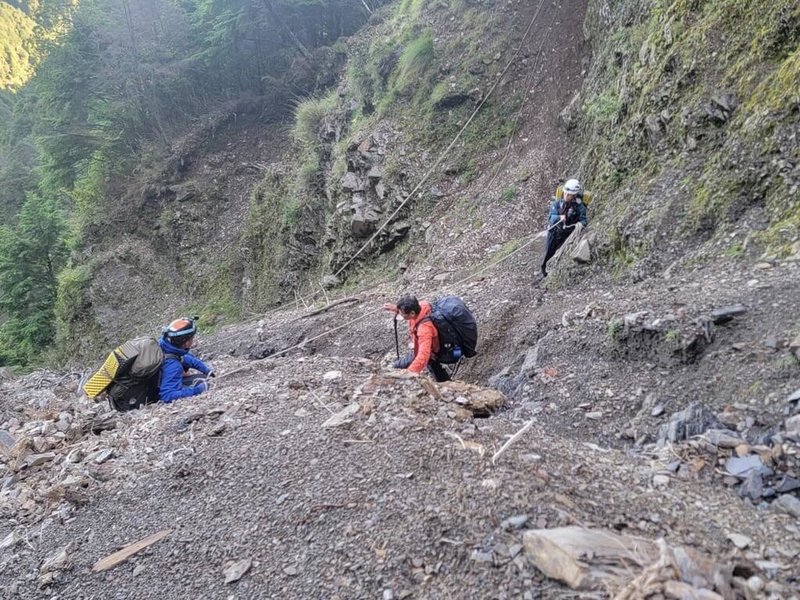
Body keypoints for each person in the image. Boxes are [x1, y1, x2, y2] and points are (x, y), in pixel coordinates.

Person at [382, 294, 450, 382]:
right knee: (437, 370)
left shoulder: (424, 329)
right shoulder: (422, 306)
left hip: (430, 353)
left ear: (412, 313)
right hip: (430, 350)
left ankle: (446, 386)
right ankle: (446, 383)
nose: (402, 316)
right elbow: (408, 311)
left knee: (397, 366)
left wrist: (410, 373)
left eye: (403, 314)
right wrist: (395, 308)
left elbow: (423, 355)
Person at [159, 317, 215, 403]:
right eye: (192, 339)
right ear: (186, 342)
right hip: (155, 391)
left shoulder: (164, 344)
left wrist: (206, 369)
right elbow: (167, 395)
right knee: (202, 380)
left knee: (190, 355)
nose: (192, 341)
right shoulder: (174, 366)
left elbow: (182, 357)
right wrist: (199, 389)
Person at [540, 178, 588, 278]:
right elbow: (551, 218)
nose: (566, 196)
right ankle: (544, 273)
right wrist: (559, 217)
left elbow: (584, 220)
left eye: (569, 195)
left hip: (566, 236)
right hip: (554, 233)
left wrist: (580, 224)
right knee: (548, 253)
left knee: (559, 256)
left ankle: (553, 274)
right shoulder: (557, 204)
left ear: (574, 195)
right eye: (565, 193)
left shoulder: (579, 207)